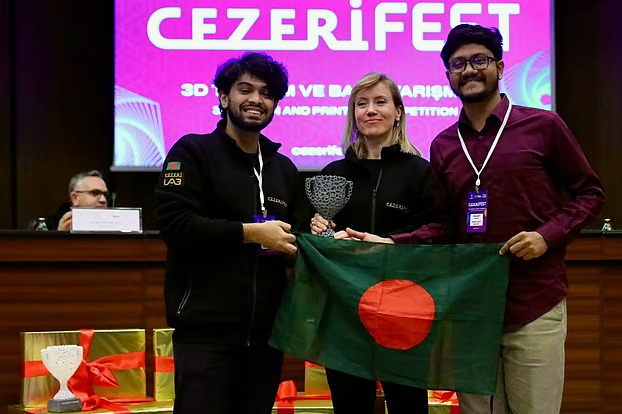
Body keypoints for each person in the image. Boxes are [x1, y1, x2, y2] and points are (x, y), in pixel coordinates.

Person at [342, 24, 606, 414]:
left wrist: (546, 236)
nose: (468, 70)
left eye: (479, 60)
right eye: (457, 64)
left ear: (499, 67)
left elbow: (591, 194)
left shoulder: (543, 126)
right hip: (471, 308)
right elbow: (443, 225)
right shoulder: (444, 145)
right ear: (448, 75)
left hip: (533, 301)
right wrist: (392, 242)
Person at [153, 52, 301, 414]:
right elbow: (175, 225)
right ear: (223, 97)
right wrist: (252, 233)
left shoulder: (283, 168)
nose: (256, 99)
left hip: (266, 336)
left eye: (267, 93)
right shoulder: (193, 151)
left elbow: (294, 236)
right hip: (206, 334)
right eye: (245, 89)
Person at [310, 72, 437, 414]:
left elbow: (435, 232)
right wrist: (321, 230)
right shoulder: (333, 172)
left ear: (398, 112)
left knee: (409, 406)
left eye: (380, 102)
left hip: (405, 310)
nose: (370, 110)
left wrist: (391, 241)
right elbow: (320, 240)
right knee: (350, 406)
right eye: (361, 104)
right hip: (346, 312)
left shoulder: (421, 172)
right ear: (353, 114)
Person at [31, 170, 109, 231]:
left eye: (105, 195)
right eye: (95, 193)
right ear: (75, 198)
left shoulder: (113, 223)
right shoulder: (48, 225)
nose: (103, 200)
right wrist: (60, 237)